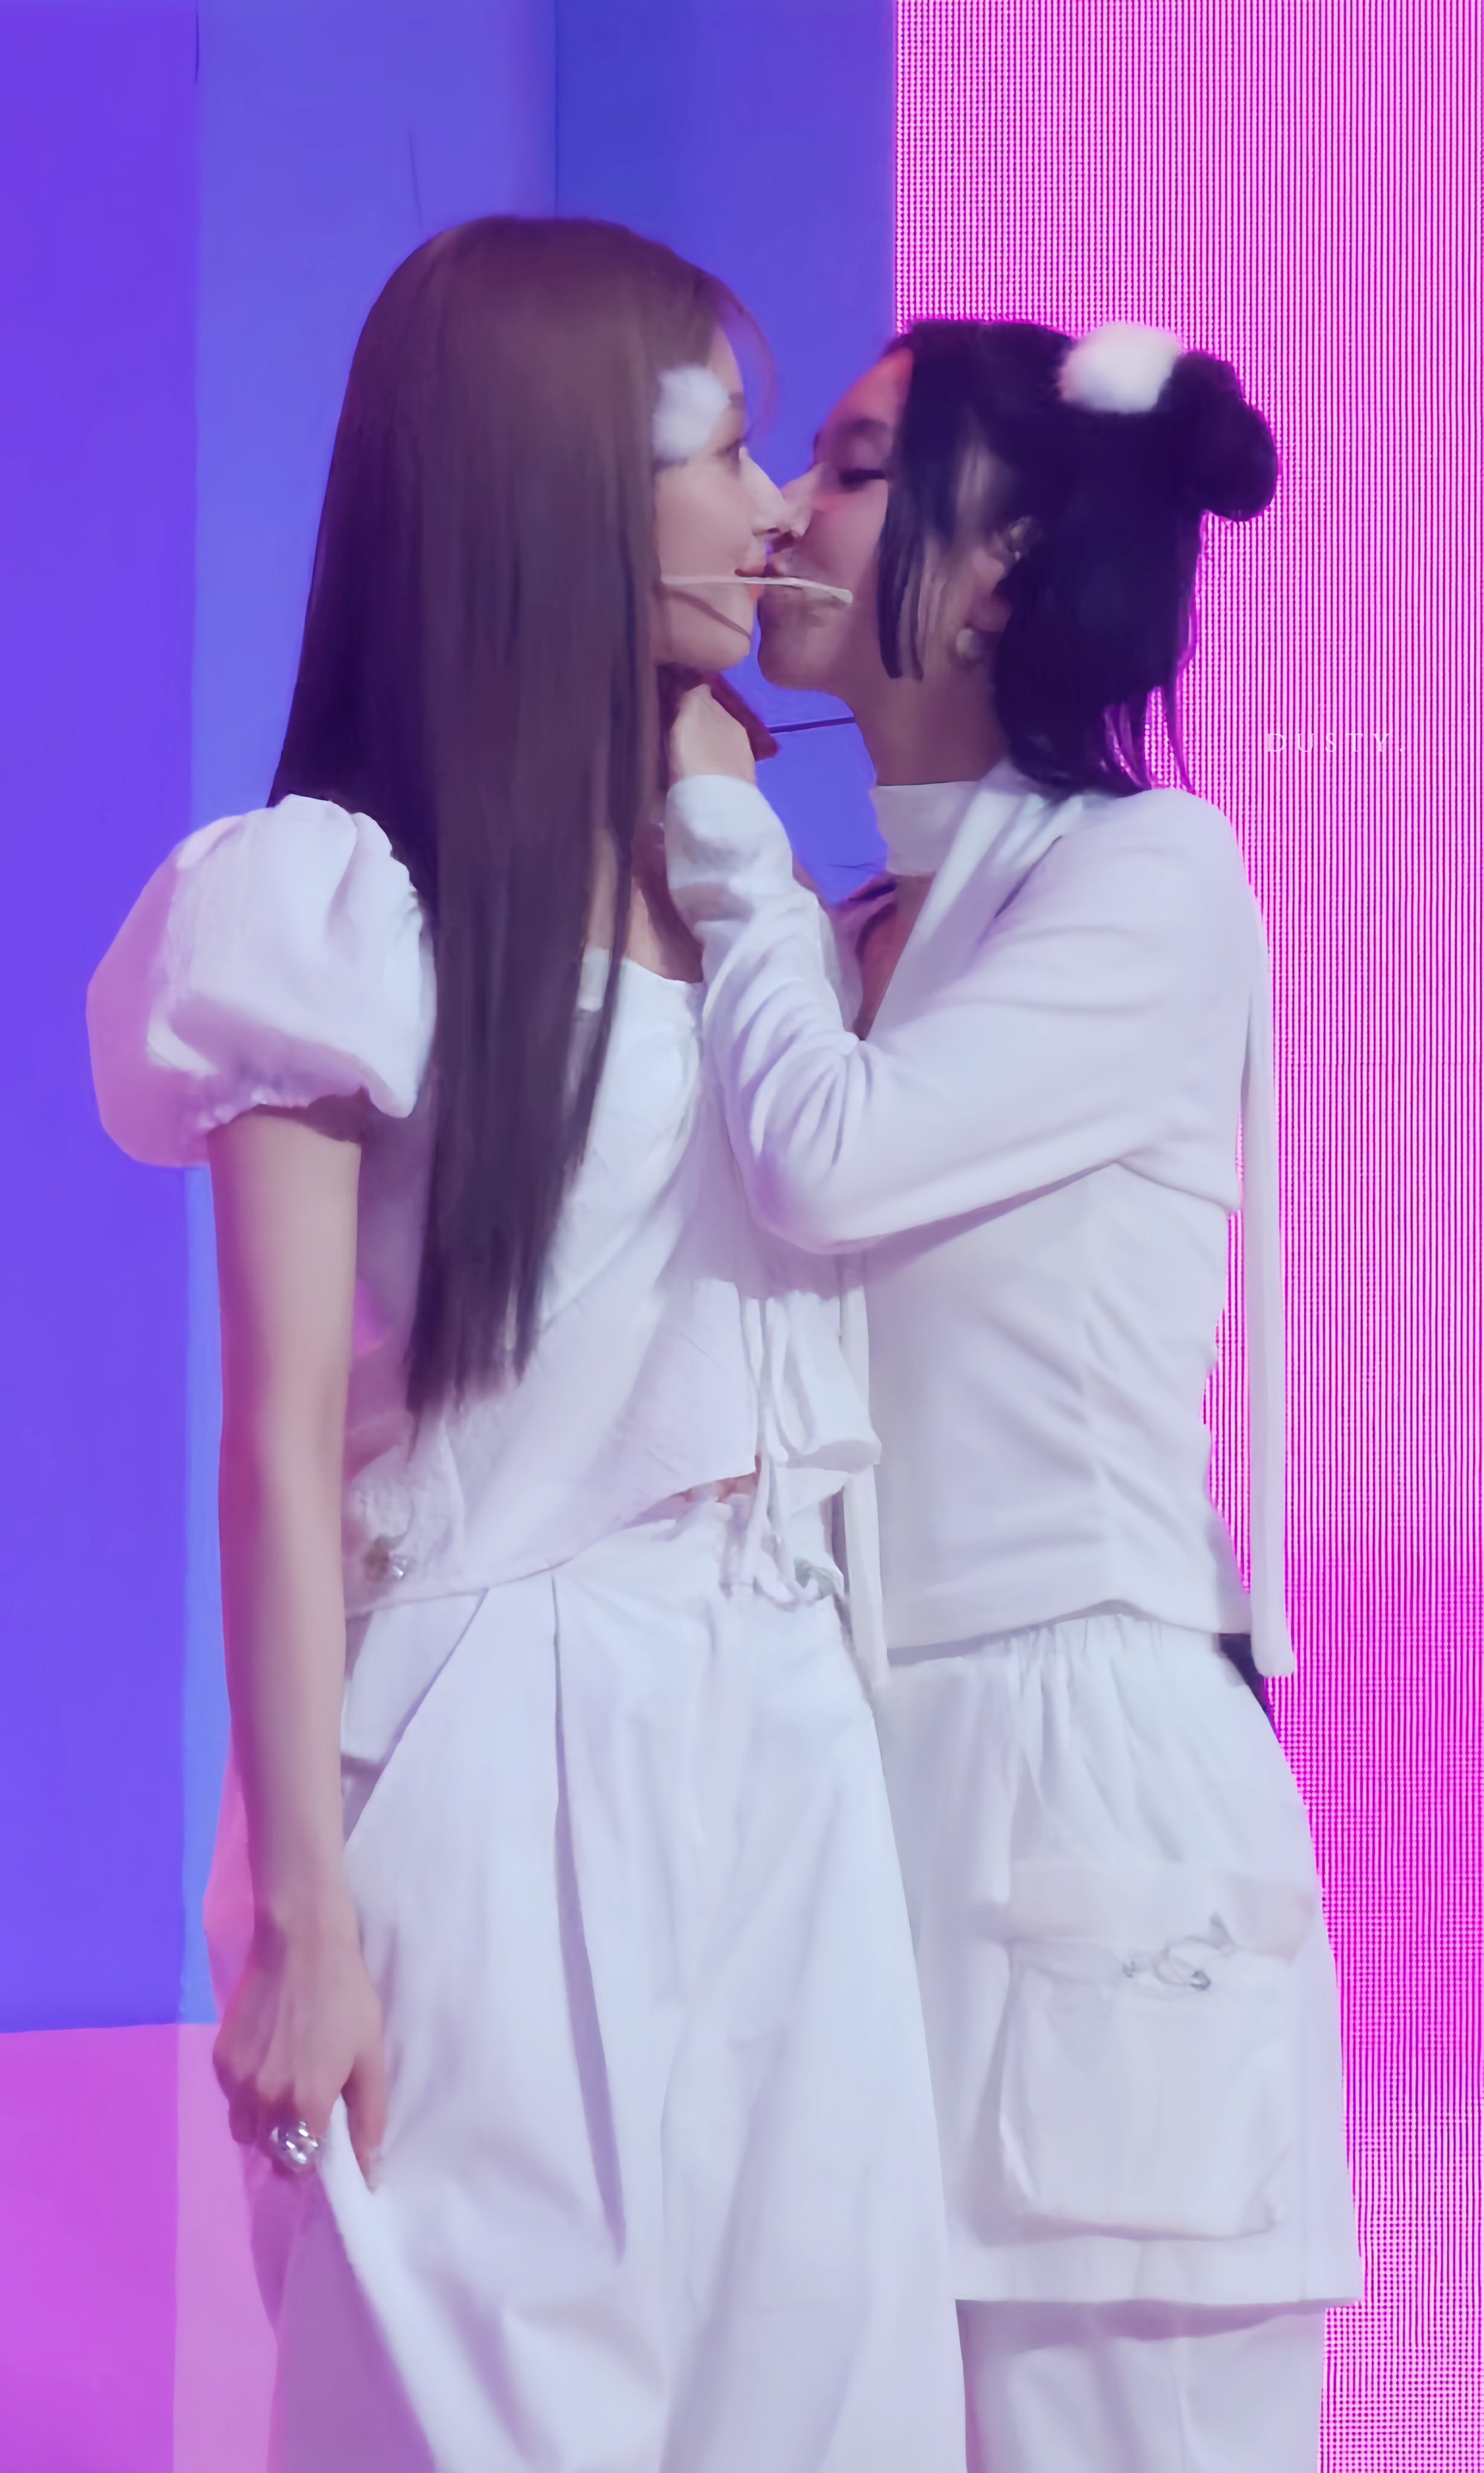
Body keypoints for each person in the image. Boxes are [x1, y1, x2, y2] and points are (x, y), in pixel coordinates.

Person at [88, 219, 965, 2473]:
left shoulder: (742, 884)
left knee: (829, 2412)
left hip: (782, 1718)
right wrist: (306, 1915)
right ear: (556, 484)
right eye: (726, 448)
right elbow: (278, 1440)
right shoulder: (335, 905)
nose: (774, 506)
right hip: (496, 1733)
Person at [662, 316, 1361, 2473]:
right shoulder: (858, 926)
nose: (789, 510)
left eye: (856, 465)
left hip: (1083, 1772)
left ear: (997, 570)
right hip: (864, 1776)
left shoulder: (1144, 876)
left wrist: (719, 840)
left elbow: (834, 1164)